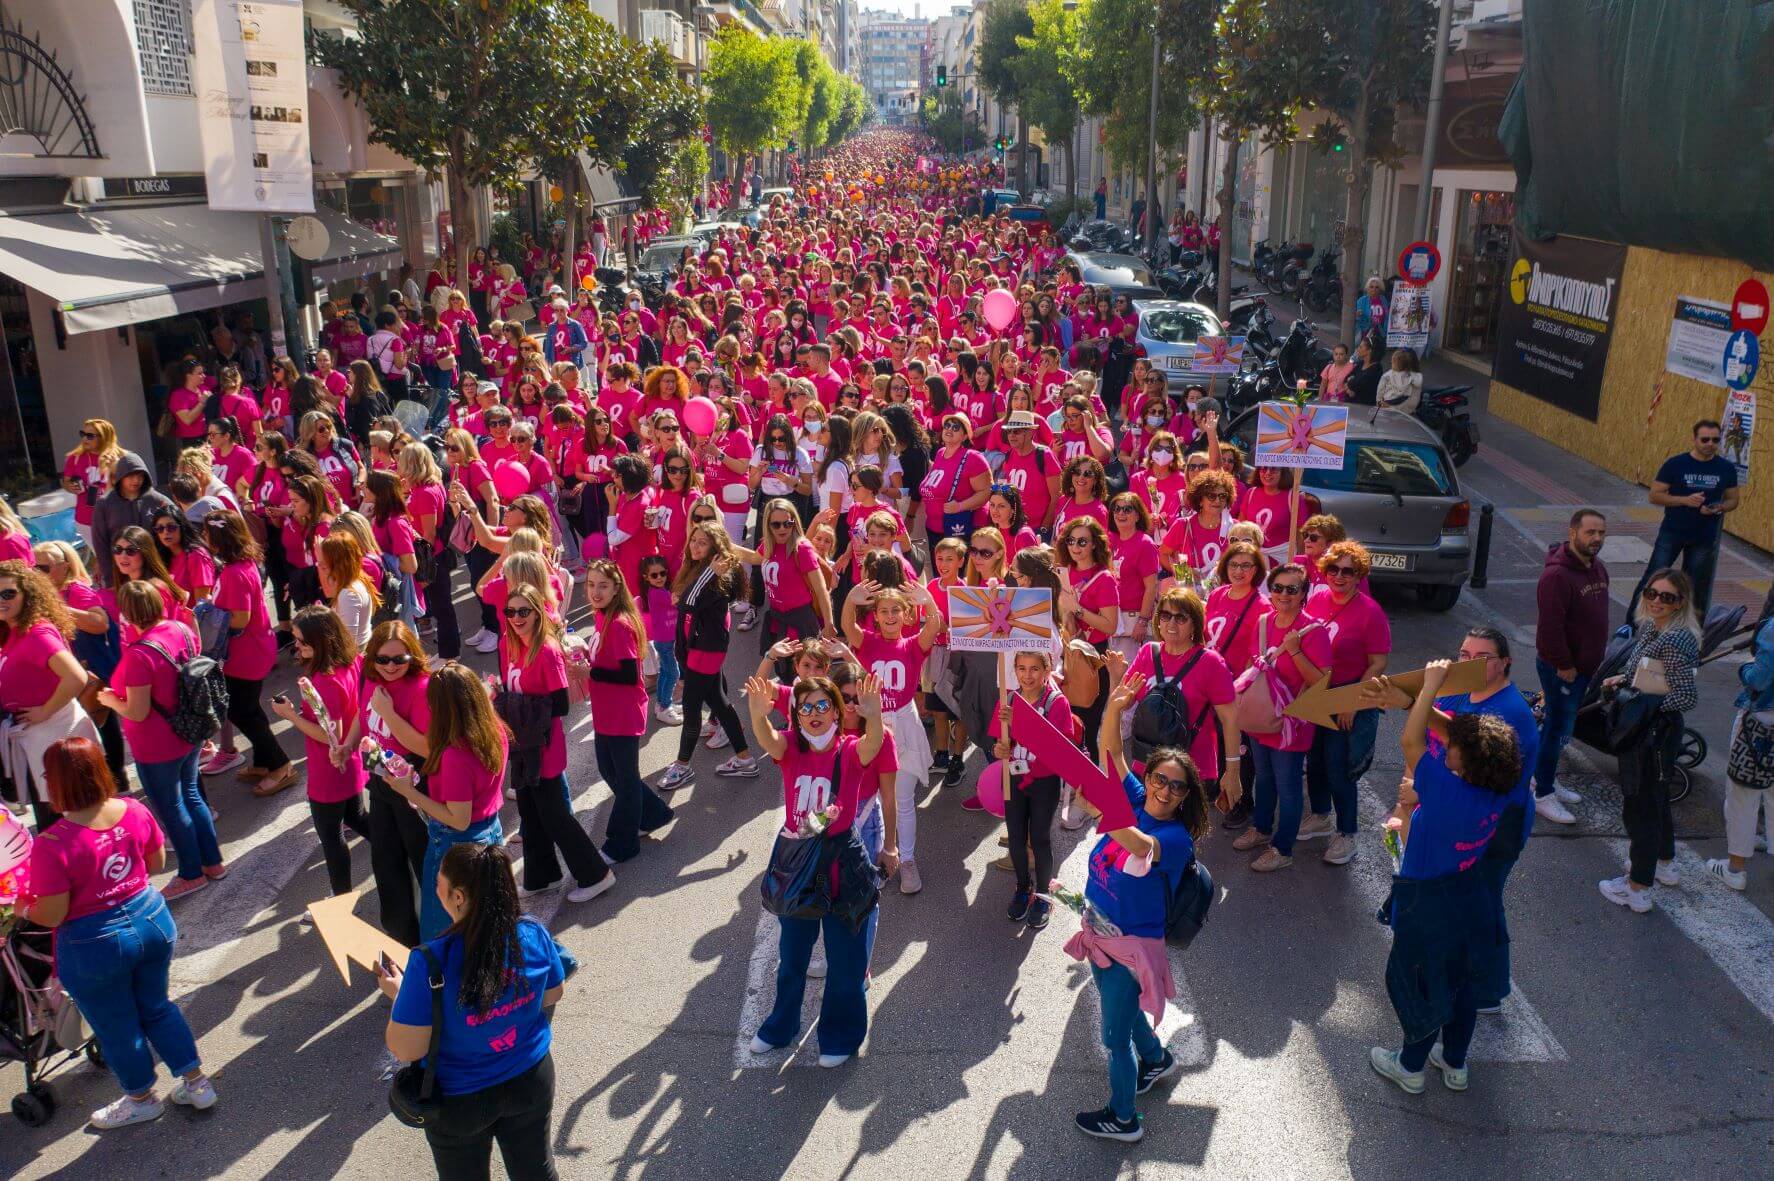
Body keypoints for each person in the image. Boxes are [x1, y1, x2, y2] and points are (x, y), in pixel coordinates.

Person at [24, 737, 218, 1128]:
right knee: (158, 1007)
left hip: (93, 944)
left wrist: (22, 906)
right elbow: (157, 862)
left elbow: (52, 913)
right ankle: (197, 1084)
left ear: (58, 781)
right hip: (150, 920)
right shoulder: (133, 809)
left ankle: (142, 1098)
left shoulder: (51, 843)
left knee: (117, 1025)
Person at [1063, 676, 1209, 1142]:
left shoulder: (1175, 838)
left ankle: (1124, 1118)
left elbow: (1138, 844)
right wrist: (1113, 708)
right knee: (1123, 1014)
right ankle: (1160, 1060)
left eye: (1177, 787)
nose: (1166, 790)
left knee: (1114, 1039)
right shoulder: (1135, 798)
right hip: (1102, 935)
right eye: (1159, 779)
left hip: (1130, 951)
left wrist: (1101, 807)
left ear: (1187, 797)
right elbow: (1112, 752)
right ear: (1147, 778)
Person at [1365, 660, 1519, 1096]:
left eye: (1455, 745)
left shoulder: (1446, 788)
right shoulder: (1497, 786)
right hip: (1470, 897)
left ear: (1466, 761)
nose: (1447, 744)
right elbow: (1453, 743)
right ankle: (1454, 1062)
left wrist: (1430, 686)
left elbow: (1411, 739)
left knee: (1424, 984)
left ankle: (1410, 1066)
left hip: (1427, 902)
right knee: (1462, 984)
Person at [378, 843, 567, 1179]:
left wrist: (398, 994)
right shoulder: (533, 933)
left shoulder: (429, 962)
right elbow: (553, 992)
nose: (435, 890)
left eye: (439, 883)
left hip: (459, 1100)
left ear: (459, 896)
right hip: (530, 1078)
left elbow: (406, 1047)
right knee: (538, 1173)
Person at [742, 671, 886, 1068]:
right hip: (799, 869)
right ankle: (781, 1026)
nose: (814, 713)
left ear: (837, 712)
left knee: (846, 960)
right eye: (806, 707)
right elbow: (769, 739)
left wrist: (874, 715)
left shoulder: (851, 750)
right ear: (797, 715)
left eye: (823, 704)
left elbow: (874, 743)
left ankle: (840, 1035)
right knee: (791, 958)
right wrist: (758, 716)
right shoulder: (789, 745)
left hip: (843, 868)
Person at [96, 582, 224, 900]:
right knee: (192, 796)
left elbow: (137, 711)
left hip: (157, 744)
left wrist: (109, 700)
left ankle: (191, 873)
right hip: (188, 731)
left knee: (172, 807)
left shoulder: (140, 655)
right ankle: (213, 862)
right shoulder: (179, 628)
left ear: (126, 613)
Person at [495, 582, 614, 904]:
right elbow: (508, 685)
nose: (517, 618)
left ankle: (596, 874)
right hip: (520, 744)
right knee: (530, 813)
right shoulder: (507, 644)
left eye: (524, 611)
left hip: (544, 748)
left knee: (556, 816)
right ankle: (540, 877)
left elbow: (560, 705)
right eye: (511, 611)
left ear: (537, 613)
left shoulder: (547, 651)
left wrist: (516, 704)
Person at [1600, 570, 1701, 913]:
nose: (1657, 601)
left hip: (1654, 734)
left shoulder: (1672, 640)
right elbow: (1647, 672)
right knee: (1655, 799)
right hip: (1656, 732)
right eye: (1652, 593)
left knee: (1640, 806)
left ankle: (1637, 888)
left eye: (1667, 597)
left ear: (1680, 603)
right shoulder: (1652, 628)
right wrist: (1624, 679)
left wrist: (1643, 704)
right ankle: (1665, 864)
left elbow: (1685, 696)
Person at [1232, 564, 1333, 872]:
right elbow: (1254, 667)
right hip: (1262, 717)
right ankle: (1262, 829)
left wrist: (1296, 652)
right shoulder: (1263, 623)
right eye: (1278, 588)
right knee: (1264, 778)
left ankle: (1283, 847)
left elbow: (1321, 681)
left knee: (1288, 785)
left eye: (1292, 589)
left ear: (1304, 594)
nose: (1283, 595)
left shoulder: (1313, 631)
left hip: (1292, 723)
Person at [343, 619, 432, 946]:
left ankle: (437, 936)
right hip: (379, 777)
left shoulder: (421, 687)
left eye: (399, 659)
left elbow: (424, 746)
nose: (390, 666)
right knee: (385, 859)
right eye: (382, 659)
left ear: (412, 657)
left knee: (423, 860)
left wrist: (389, 711)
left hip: (412, 783)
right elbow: (361, 715)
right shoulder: (370, 677)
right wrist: (348, 744)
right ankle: (401, 936)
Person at [272, 606, 370, 898]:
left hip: (330, 770)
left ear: (321, 640)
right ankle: (401, 847)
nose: (297, 648)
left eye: (302, 642)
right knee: (356, 817)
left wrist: (289, 715)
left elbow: (332, 736)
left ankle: (341, 899)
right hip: (350, 764)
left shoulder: (325, 680)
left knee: (331, 837)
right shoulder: (351, 662)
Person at [1303, 541, 1390, 865]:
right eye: (1333, 569)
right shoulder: (1316, 599)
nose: (1339, 576)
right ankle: (1321, 815)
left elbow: (1378, 662)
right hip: (1316, 694)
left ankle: (1347, 833)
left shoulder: (1370, 612)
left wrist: (1352, 702)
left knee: (1340, 768)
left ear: (1358, 576)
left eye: (1347, 571)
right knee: (1314, 761)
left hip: (1346, 694)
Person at [583, 559, 674, 863]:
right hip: (606, 712)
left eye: (603, 585)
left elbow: (627, 675)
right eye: (591, 584)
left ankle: (622, 844)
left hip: (622, 715)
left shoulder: (620, 624)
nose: (596, 591)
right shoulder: (602, 616)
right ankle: (654, 815)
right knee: (612, 772)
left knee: (623, 779)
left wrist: (590, 672)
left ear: (616, 588)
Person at [657, 525, 759, 790]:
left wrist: (708, 574)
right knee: (720, 704)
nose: (695, 546)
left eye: (703, 543)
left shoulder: (716, 580)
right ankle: (745, 760)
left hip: (706, 653)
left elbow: (688, 603)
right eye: (694, 541)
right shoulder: (699, 573)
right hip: (699, 651)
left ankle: (682, 767)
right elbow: (684, 603)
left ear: (716, 551)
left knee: (692, 711)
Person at [1532, 509, 1609, 825]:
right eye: (1591, 532)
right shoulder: (1557, 576)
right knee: (1556, 730)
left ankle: (1542, 778)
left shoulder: (1597, 568)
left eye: (1601, 533)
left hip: (1583, 669)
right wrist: (1564, 665)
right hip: (1563, 670)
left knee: (1562, 728)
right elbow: (1550, 627)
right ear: (1573, 532)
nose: (1597, 539)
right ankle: (1542, 795)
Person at [1632, 420, 1740, 618]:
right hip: (1672, 532)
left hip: (1704, 537)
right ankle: (1632, 623)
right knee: (1653, 576)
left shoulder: (1725, 468)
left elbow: (1733, 500)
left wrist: (1719, 508)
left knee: (1692, 585)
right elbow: (1654, 495)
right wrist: (1684, 500)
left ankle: (1683, 628)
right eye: (1705, 439)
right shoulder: (1676, 464)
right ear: (1694, 439)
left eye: (1715, 440)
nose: (1710, 444)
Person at [1708, 617, 1774, 891]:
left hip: (1761, 723)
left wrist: (1746, 669)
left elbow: (1760, 677)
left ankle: (1735, 868)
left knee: (1742, 796)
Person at [91, 451, 174, 585]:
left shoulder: (158, 500)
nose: (136, 480)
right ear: (120, 476)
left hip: (155, 571)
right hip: (121, 572)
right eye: (130, 476)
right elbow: (100, 544)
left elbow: (176, 528)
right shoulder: (104, 504)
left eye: (140, 476)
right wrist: (110, 580)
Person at [1375, 348, 1423, 415]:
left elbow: (1412, 403)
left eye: (1394, 360)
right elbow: (1379, 396)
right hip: (1389, 413)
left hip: (1402, 416)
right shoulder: (1387, 376)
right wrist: (1381, 403)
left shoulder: (1415, 380)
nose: (1391, 362)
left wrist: (1390, 407)